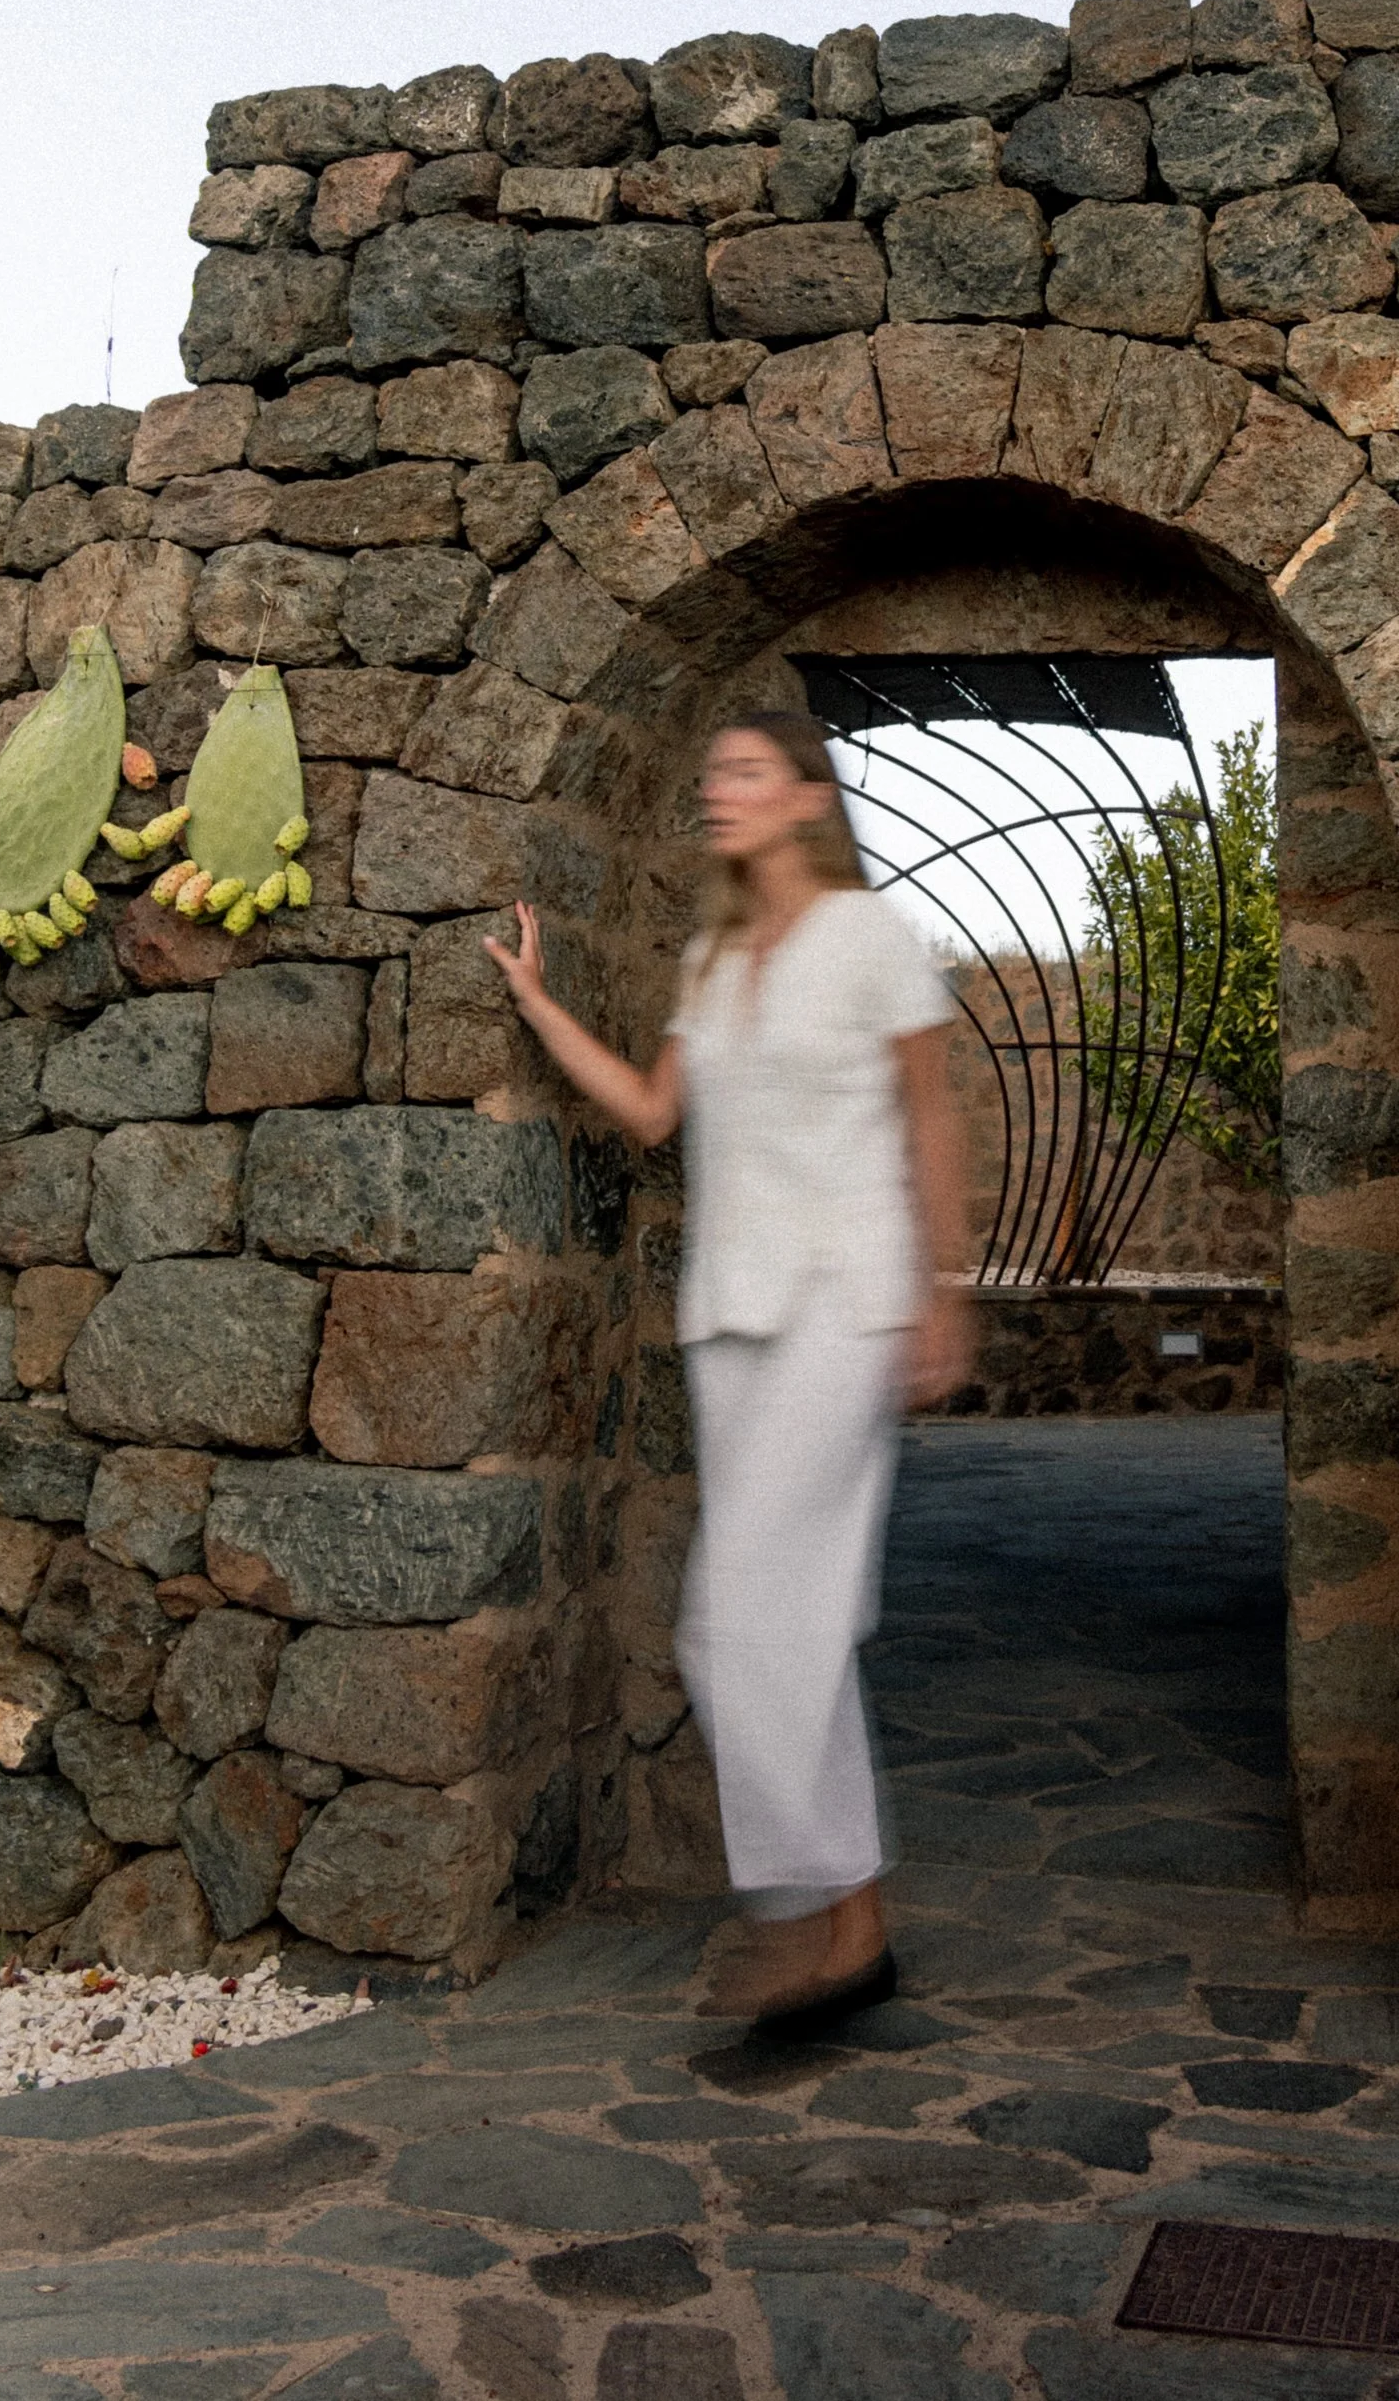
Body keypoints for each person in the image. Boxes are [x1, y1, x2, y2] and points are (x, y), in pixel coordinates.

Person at [484, 709, 974, 2035]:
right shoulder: (713, 956)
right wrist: (536, 1000)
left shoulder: (872, 942)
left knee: (734, 1620)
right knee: (782, 1625)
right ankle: (850, 1925)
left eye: (747, 773)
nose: (720, 792)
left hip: (848, 1305)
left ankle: (807, 1919)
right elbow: (652, 1113)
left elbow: (933, 1115)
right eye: (711, 775)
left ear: (810, 799)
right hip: (734, 1320)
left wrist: (944, 1289)